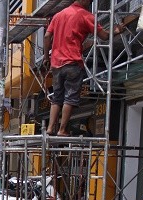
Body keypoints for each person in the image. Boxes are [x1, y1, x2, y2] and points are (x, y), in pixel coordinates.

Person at [43, 0, 124, 136]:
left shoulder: (59, 15)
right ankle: (62, 129)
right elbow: (104, 36)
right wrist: (116, 30)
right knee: (71, 97)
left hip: (56, 64)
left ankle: (50, 128)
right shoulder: (85, 16)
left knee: (57, 97)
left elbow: (46, 36)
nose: (91, 2)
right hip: (73, 62)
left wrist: (46, 57)